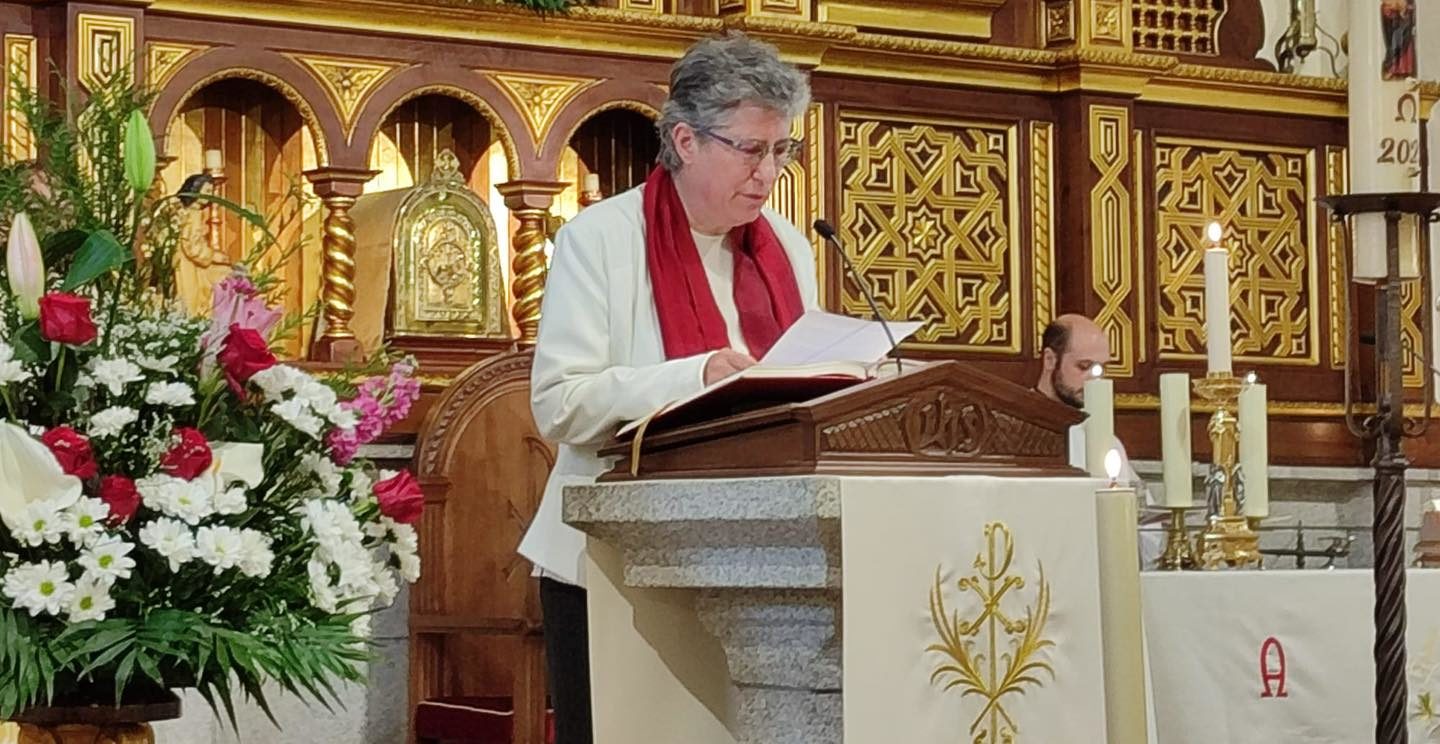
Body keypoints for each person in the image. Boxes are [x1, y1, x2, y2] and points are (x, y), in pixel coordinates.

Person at [517, 32, 820, 744]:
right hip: (608, 564)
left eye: (782, 150)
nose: (769, 172)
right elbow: (560, 403)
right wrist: (696, 375)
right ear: (685, 140)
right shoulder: (602, 238)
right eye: (751, 150)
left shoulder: (789, 247)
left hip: (758, 563)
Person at [1037, 314, 1163, 564]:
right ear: (1050, 359)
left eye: (1101, 369)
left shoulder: (1105, 439)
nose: (1095, 379)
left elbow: (1145, 524)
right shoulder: (1015, 430)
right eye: (1084, 367)